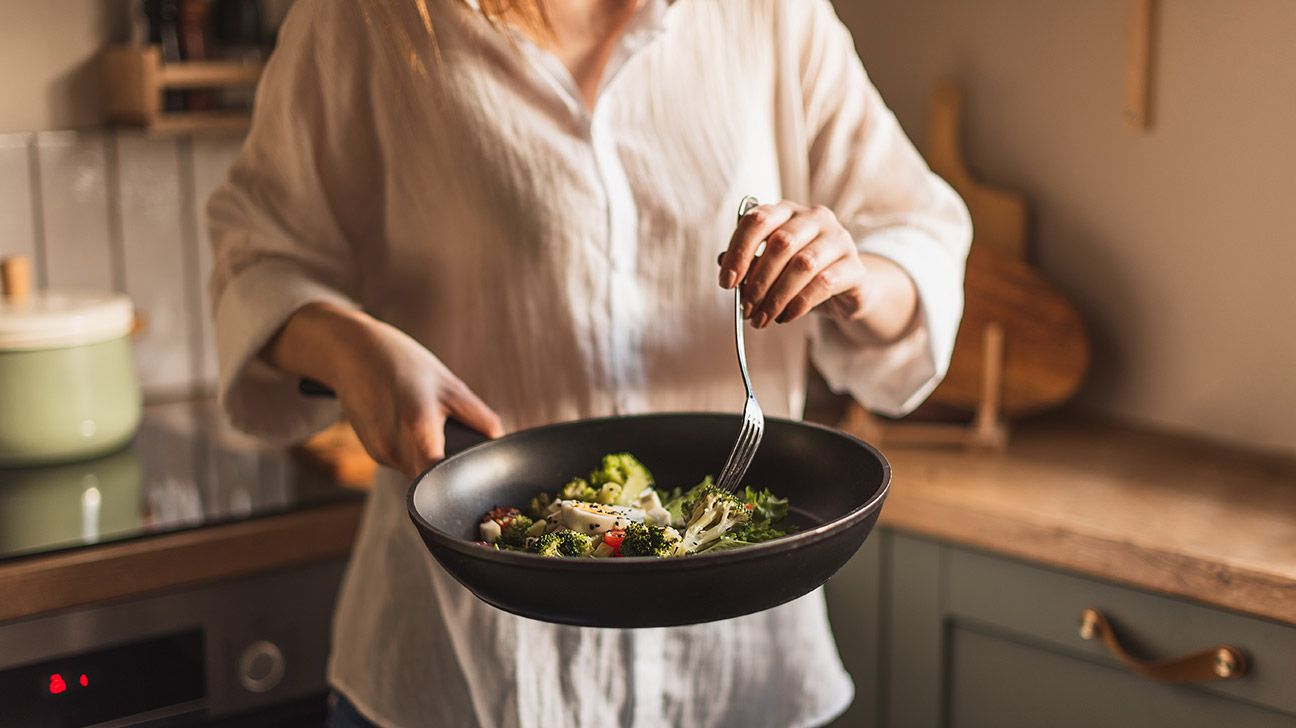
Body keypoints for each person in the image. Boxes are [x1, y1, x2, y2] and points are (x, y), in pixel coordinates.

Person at [207, 0, 970, 725]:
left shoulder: (769, 11)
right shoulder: (366, 19)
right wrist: (349, 349)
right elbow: (255, 258)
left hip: (739, 676)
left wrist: (855, 277)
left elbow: (920, 235)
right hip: (462, 669)